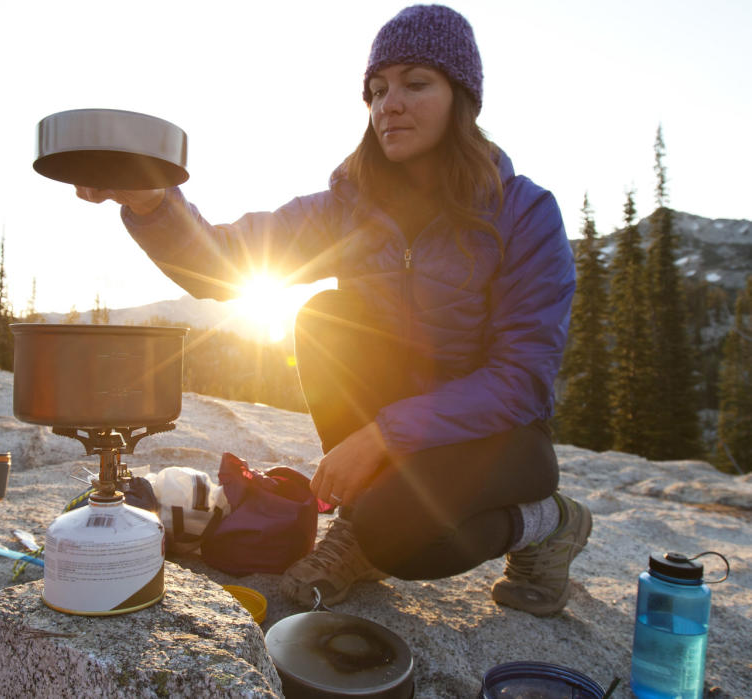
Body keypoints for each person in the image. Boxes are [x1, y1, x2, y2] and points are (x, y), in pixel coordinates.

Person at [73, 4, 589, 617]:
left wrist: (384, 437)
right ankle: (368, 520)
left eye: (415, 83)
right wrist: (154, 204)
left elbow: (521, 381)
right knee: (323, 321)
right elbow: (225, 262)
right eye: (376, 89)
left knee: (407, 545)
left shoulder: (524, 213)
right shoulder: (350, 206)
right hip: (398, 426)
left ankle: (547, 522)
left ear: (462, 98)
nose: (388, 104)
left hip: (495, 434)